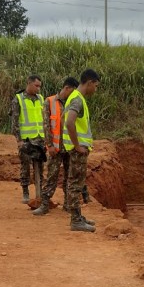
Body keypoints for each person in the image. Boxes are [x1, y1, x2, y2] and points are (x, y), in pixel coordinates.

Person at [62, 69, 101, 233]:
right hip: (77, 150)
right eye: (96, 86)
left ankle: (78, 217)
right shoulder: (77, 99)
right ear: (90, 82)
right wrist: (77, 145)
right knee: (75, 184)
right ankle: (76, 220)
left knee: (75, 183)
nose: (96, 89)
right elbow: (70, 122)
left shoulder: (75, 98)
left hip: (76, 149)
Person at [33, 76, 78, 216]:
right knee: (51, 176)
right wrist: (49, 145)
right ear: (67, 88)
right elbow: (46, 125)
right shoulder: (50, 101)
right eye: (73, 91)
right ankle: (45, 204)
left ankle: (68, 204)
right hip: (55, 148)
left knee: (69, 177)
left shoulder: (74, 102)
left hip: (69, 147)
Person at [11, 74, 46, 203]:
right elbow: (14, 121)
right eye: (36, 86)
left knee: (40, 167)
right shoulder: (18, 99)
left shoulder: (41, 99)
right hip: (26, 140)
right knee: (25, 166)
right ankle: (25, 192)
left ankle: (39, 193)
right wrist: (18, 140)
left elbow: (45, 119)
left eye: (39, 86)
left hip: (39, 138)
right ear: (29, 83)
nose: (38, 89)